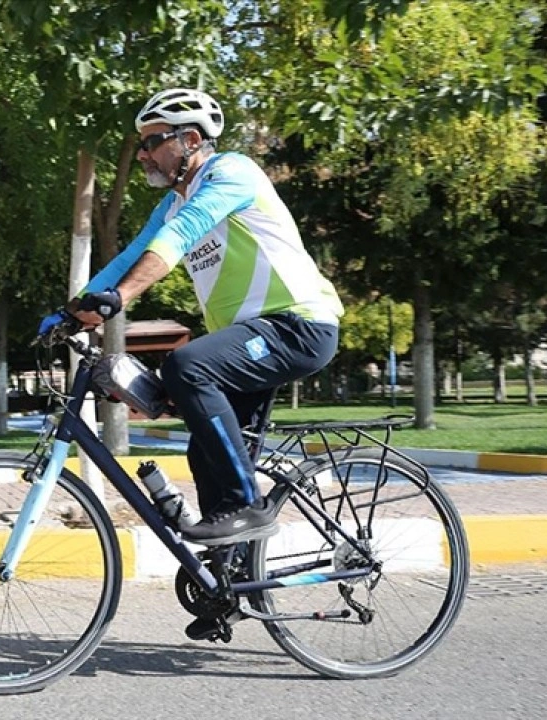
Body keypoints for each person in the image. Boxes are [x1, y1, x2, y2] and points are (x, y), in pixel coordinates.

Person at [42, 88, 343, 546]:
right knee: (204, 453)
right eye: (141, 144)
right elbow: (134, 255)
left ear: (192, 139)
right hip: (251, 337)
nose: (143, 153)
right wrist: (73, 309)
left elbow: (179, 237)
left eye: (154, 141)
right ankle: (230, 588)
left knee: (186, 366)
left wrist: (119, 298)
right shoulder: (174, 201)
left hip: (297, 326)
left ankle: (250, 507)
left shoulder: (233, 173)